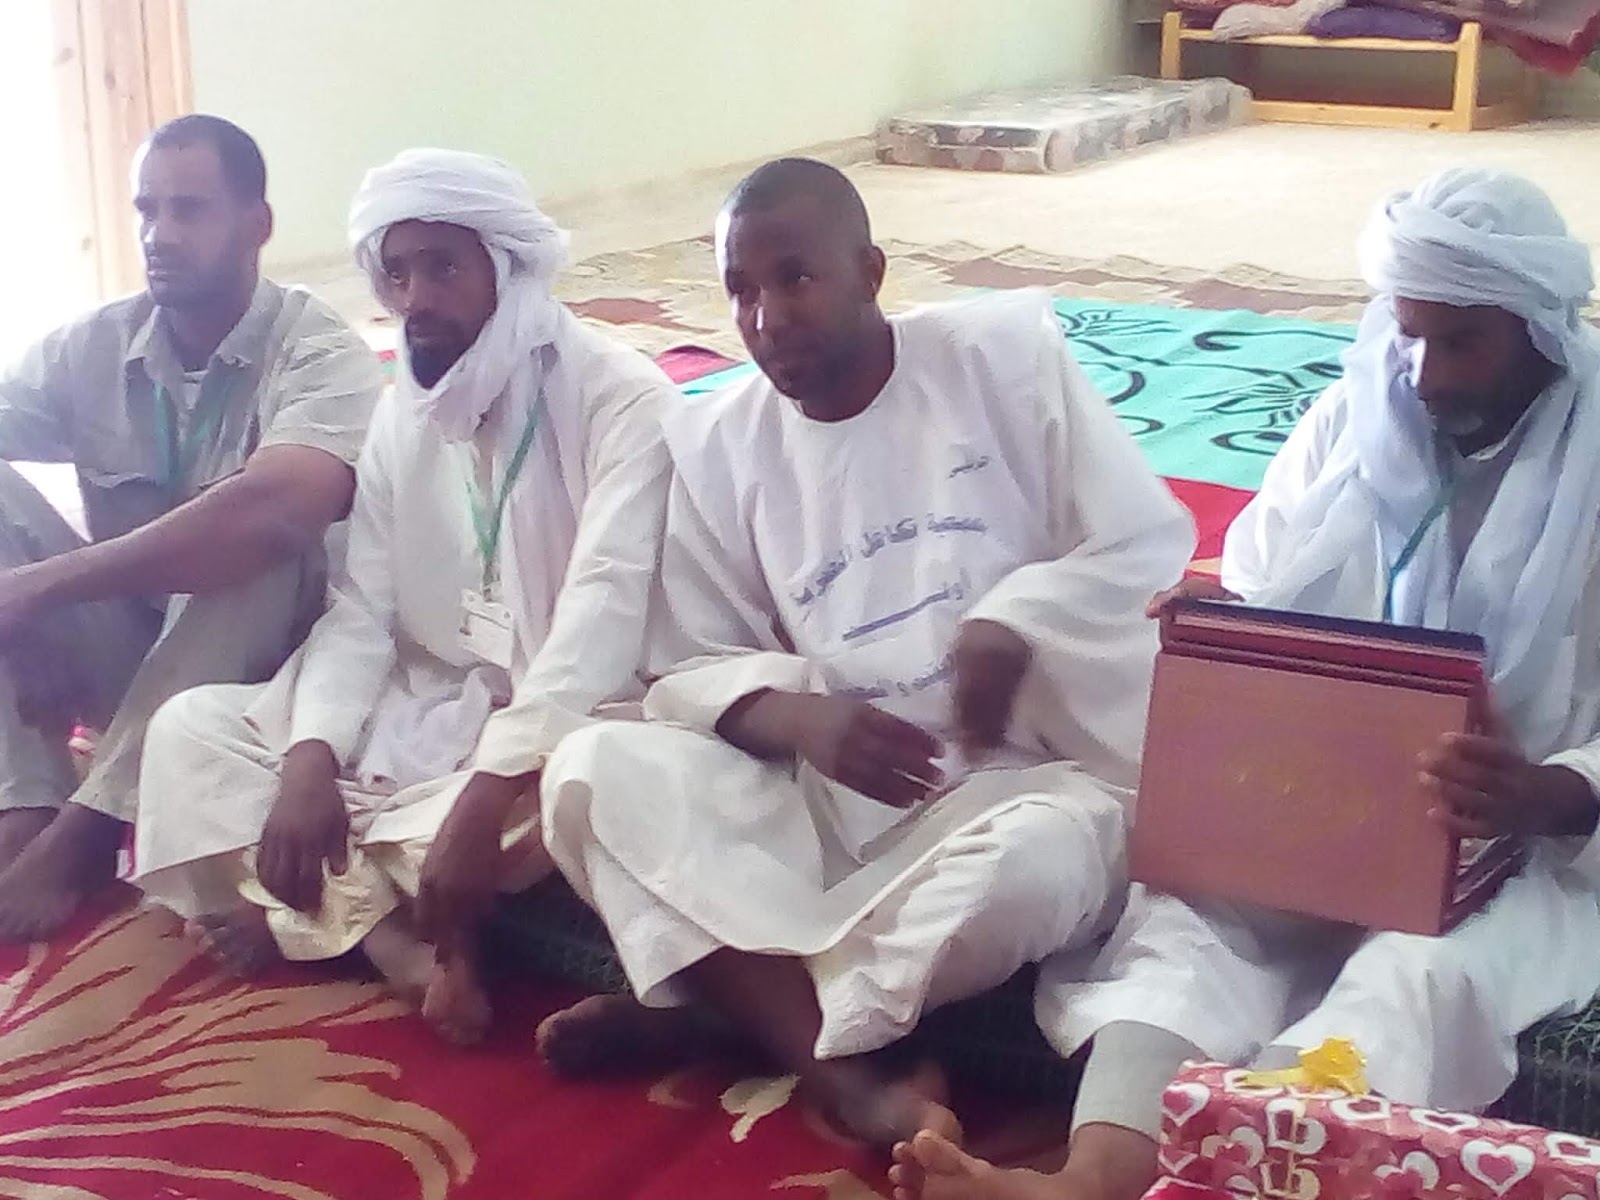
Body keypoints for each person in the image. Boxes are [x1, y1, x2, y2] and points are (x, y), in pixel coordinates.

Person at [892, 168, 1600, 1200]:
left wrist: (1550, 791)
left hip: (1527, 844)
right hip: (1325, 800)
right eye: (1409, 337)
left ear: (1540, 331)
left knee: (1413, 979)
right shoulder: (1353, 420)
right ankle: (1089, 1180)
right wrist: (1220, 627)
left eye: (1462, 344)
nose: (1425, 376)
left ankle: (1243, 1179)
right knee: (1189, 927)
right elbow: (1265, 583)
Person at [534, 158, 1196, 1148]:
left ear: (871, 273)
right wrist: (798, 718)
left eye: (795, 278)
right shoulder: (718, 442)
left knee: (1039, 871)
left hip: (1020, 788)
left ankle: (738, 1008)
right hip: (828, 797)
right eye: (740, 291)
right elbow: (687, 661)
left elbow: (1143, 542)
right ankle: (833, 1058)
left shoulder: (1002, 361)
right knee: (591, 770)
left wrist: (1017, 619)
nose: (765, 318)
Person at [131, 148, 674, 1045]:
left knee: (590, 789)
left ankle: (313, 909)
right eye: (397, 272)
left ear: (505, 269)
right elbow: (363, 609)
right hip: (425, 707)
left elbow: (604, 614)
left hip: (569, 718)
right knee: (192, 733)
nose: (416, 297)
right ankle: (398, 945)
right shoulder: (403, 411)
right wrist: (310, 758)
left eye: (443, 268)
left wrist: (486, 794)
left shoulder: (622, 402)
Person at [0, 114, 382, 942]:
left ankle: (89, 833)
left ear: (257, 225)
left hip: (255, 687)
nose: (159, 234)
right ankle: (27, 799)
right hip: (136, 661)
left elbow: (279, 507)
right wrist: (21, 623)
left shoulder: (321, 353)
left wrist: (37, 589)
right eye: (147, 209)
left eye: (189, 209)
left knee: (259, 540)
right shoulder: (95, 346)